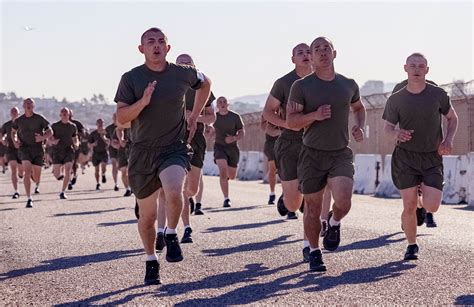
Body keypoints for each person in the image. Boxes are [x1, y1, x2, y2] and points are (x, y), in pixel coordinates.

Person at [115, 27, 211, 285]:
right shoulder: (131, 78)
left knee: (173, 189)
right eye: (150, 42)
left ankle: (170, 233)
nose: (156, 45)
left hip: (174, 147)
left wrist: (193, 116)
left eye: (161, 42)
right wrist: (142, 103)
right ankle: (150, 260)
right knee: (146, 217)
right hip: (142, 152)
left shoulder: (183, 73)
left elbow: (206, 83)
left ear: (168, 48)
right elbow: (121, 117)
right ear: (141, 48)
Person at [287, 37, 366, 271]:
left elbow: (359, 107)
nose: (322, 53)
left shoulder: (348, 84)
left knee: (343, 200)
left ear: (334, 53)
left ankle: (334, 221)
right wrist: (314, 116)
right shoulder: (301, 86)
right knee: (311, 208)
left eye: (326, 49)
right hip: (312, 154)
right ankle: (314, 251)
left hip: (340, 152)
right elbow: (291, 122)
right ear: (310, 56)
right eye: (317, 50)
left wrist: (359, 126)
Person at [382, 52, 458, 260]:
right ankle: (411, 245)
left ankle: (421, 204)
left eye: (421, 65)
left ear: (427, 70)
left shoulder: (438, 95)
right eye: (413, 65)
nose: (417, 69)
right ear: (405, 68)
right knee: (408, 204)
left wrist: (448, 140)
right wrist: (396, 133)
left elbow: (452, 118)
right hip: (405, 157)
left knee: (432, 205)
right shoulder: (396, 99)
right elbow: (387, 129)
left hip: (431, 157)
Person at [262, 43, 312, 260]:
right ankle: (288, 196)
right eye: (300, 52)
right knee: (293, 204)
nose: (306, 55)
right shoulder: (283, 83)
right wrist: (286, 124)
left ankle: (309, 245)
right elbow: (267, 112)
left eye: (308, 51)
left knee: (313, 196)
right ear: (293, 59)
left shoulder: (323, 80)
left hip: (315, 143)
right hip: (289, 142)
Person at [392, 79, 439, 228]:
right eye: (413, 65)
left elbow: (439, 118)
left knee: (429, 184)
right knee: (412, 189)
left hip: (430, 149)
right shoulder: (400, 88)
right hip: (407, 149)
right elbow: (392, 118)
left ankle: (427, 212)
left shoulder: (433, 88)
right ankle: (413, 211)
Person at [11, 98, 53, 208]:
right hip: (24, 148)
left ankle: (35, 181)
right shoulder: (19, 120)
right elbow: (13, 132)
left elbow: (50, 131)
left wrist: (43, 137)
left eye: (30, 103)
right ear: (23, 106)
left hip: (38, 150)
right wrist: (15, 141)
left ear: (33, 106)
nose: (28, 105)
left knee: (37, 177)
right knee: (27, 171)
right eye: (26, 103)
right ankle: (29, 198)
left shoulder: (39, 118)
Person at [213, 96, 245, 208]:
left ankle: (226, 178)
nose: (222, 103)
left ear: (228, 104)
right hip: (219, 147)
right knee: (222, 170)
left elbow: (242, 132)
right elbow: (209, 129)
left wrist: (234, 138)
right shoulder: (214, 117)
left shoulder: (235, 117)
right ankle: (226, 199)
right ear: (217, 105)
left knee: (231, 176)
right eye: (219, 102)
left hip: (232, 148)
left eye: (224, 101)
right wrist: (208, 132)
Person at [50, 107, 79, 199]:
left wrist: (76, 144)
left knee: (68, 170)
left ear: (69, 115)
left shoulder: (72, 126)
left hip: (68, 150)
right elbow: (49, 137)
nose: (64, 114)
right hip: (57, 151)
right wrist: (52, 141)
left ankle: (63, 192)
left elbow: (75, 138)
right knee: (56, 174)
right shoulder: (55, 126)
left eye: (66, 112)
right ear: (60, 115)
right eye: (62, 112)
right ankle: (60, 177)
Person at [1, 107, 24, 199]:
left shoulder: (23, 123)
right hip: (10, 149)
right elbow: (2, 135)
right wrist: (2, 139)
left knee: (21, 171)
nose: (14, 113)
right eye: (12, 112)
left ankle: (21, 174)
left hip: (22, 150)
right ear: (10, 114)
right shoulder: (6, 125)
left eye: (15, 111)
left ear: (19, 113)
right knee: (13, 168)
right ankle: (16, 191)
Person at [260, 115, 280, 205]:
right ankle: (272, 193)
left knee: (286, 170)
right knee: (273, 169)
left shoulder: (287, 109)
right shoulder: (267, 112)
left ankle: (286, 194)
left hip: (286, 142)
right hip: (271, 144)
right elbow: (265, 128)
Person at [88, 118, 109, 190]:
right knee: (96, 170)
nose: (100, 125)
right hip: (96, 153)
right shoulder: (93, 134)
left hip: (104, 152)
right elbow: (88, 145)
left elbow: (109, 141)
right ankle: (98, 184)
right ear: (96, 124)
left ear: (103, 124)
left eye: (102, 123)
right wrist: (93, 144)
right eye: (99, 123)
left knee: (103, 167)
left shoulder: (106, 132)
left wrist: (105, 140)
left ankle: (103, 174)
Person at [68, 109, 85, 190]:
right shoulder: (62, 124)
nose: (69, 116)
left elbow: (83, 132)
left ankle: (74, 175)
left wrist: (77, 134)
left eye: (70, 114)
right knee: (68, 163)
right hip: (65, 147)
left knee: (74, 163)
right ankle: (69, 181)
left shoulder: (77, 123)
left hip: (75, 146)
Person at [116, 126, 132, 196]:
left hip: (133, 151)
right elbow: (113, 142)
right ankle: (127, 189)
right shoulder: (122, 126)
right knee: (123, 172)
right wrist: (121, 140)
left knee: (131, 172)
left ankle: (132, 188)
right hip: (122, 153)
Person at [106, 113, 120, 192]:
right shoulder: (109, 128)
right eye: (114, 117)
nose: (115, 118)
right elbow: (106, 139)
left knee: (124, 167)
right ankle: (116, 183)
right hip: (112, 149)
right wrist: (110, 142)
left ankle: (129, 185)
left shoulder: (123, 126)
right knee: (114, 164)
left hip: (122, 149)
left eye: (117, 117)